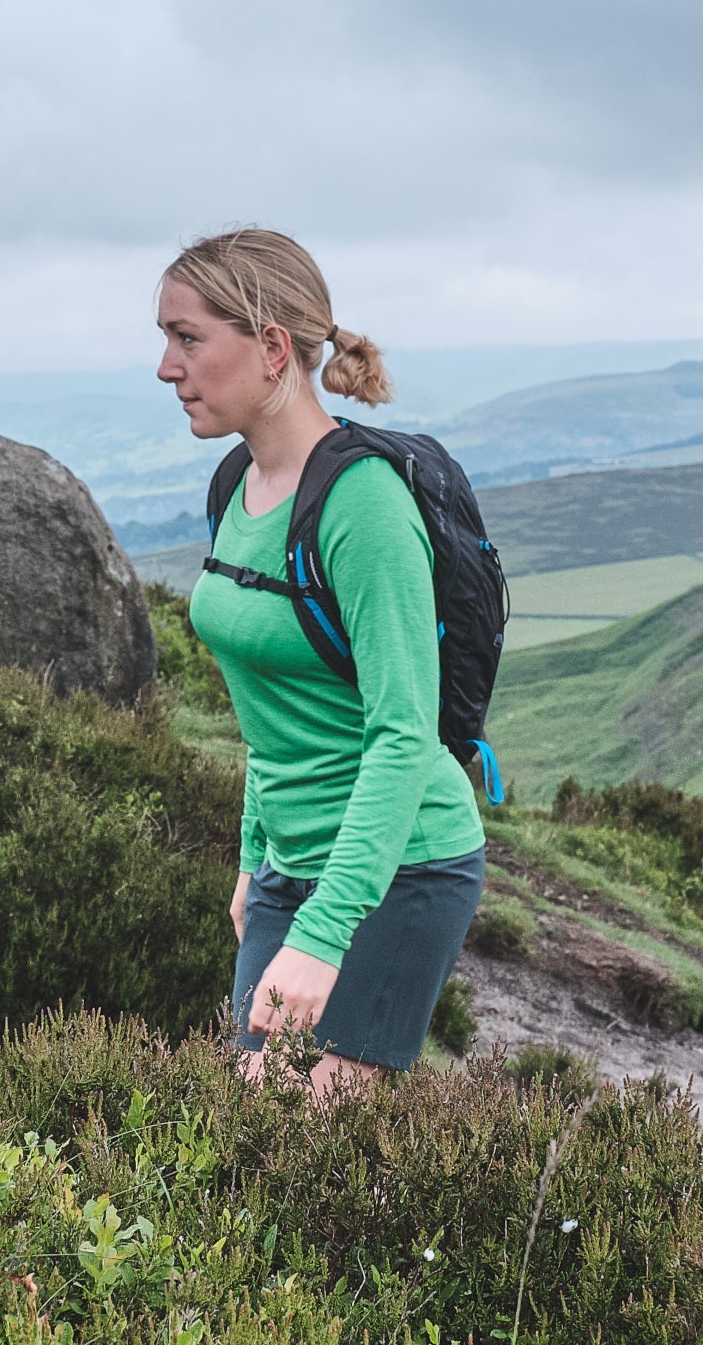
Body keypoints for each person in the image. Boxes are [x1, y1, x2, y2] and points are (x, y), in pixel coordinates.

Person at [160, 228, 486, 1097]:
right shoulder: (239, 484)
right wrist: (252, 856)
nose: (166, 366)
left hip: (400, 866)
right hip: (288, 870)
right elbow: (274, 713)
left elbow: (404, 732)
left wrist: (324, 930)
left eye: (188, 338)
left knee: (313, 1162)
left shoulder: (362, 506)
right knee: (252, 1141)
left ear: (271, 348)